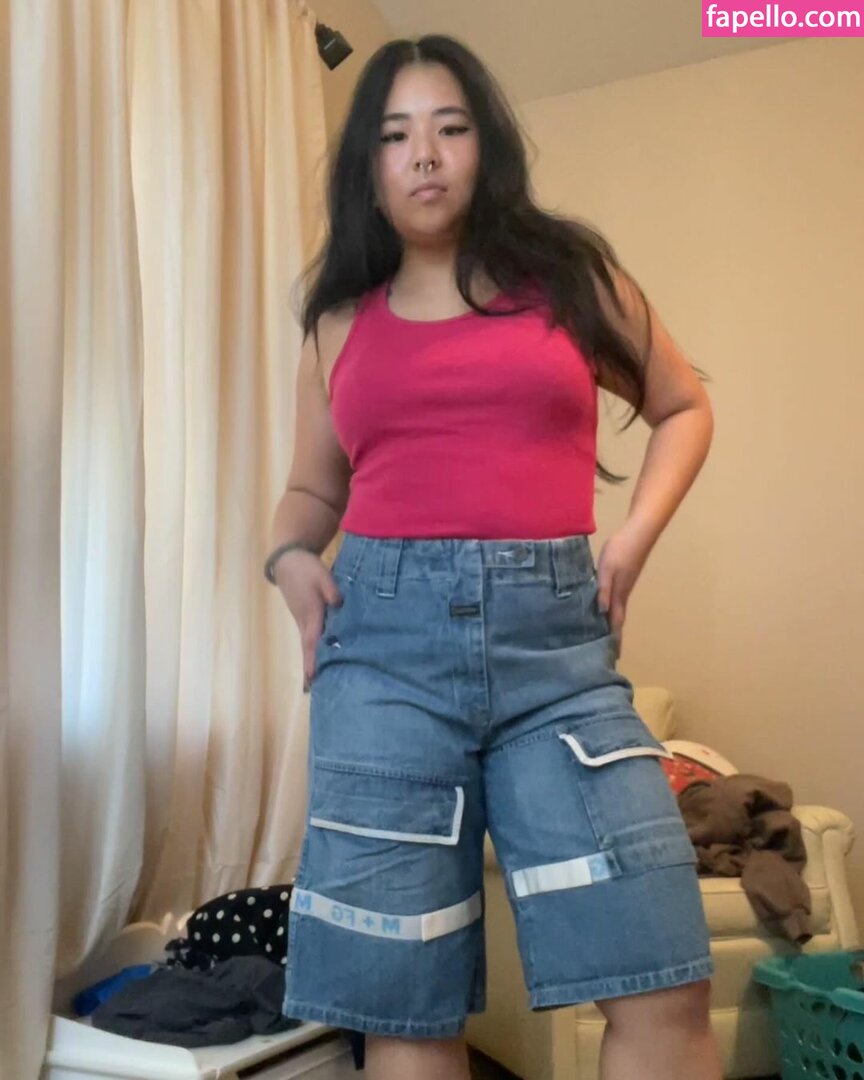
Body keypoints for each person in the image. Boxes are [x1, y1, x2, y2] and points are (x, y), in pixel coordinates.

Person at [266, 33, 722, 1080]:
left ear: (487, 146)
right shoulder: (336, 324)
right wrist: (287, 558)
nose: (425, 153)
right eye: (396, 135)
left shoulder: (571, 279)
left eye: (451, 126)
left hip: (559, 661)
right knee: (405, 1004)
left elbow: (683, 405)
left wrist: (634, 535)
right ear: (369, 168)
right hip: (381, 658)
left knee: (661, 980)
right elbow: (312, 492)